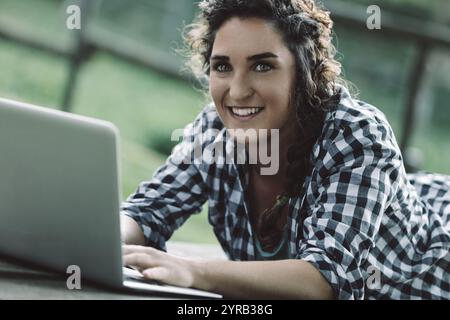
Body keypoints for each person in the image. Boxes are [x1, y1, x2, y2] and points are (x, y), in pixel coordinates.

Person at [120, 0, 450, 299]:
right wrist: (102, 239)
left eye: (262, 66)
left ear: (303, 72)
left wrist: (194, 270)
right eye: (222, 66)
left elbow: (323, 279)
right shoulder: (215, 131)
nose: (237, 90)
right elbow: (148, 212)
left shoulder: (357, 135)